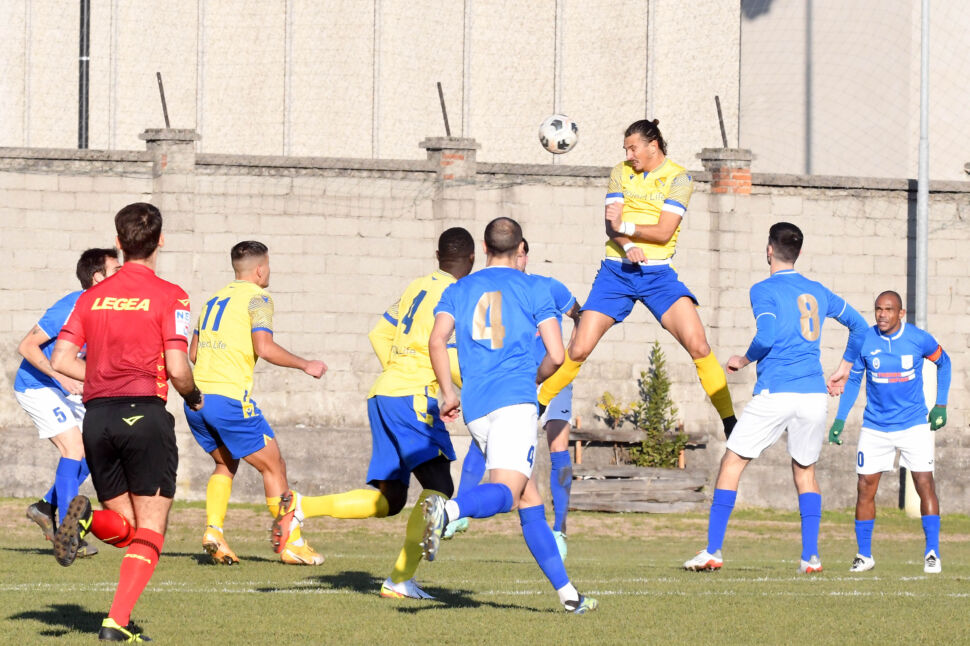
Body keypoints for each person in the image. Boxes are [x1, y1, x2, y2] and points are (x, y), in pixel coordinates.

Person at [286, 227, 475, 599]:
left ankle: (302, 506)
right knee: (440, 487)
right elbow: (448, 352)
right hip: (411, 398)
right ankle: (400, 580)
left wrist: (400, 370)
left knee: (391, 500)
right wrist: (460, 385)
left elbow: (378, 333)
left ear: (437, 256)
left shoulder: (415, 288)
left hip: (384, 393)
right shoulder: (460, 294)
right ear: (472, 259)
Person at [422, 217, 597, 614]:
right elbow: (557, 355)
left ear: (484, 248)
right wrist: (534, 379)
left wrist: (448, 393)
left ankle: (569, 595)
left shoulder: (458, 288)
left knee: (527, 497)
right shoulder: (535, 288)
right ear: (520, 249)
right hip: (514, 402)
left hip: (476, 407)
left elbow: (437, 341)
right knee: (506, 492)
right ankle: (448, 511)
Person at [51, 202, 204, 643]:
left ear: (118, 242)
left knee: (130, 532)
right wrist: (193, 396)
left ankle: (85, 522)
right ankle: (115, 623)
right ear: (160, 241)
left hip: (97, 419)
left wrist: (102, 377)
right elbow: (178, 367)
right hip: (144, 415)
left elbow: (60, 360)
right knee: (152, 531)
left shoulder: (91, 296)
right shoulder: (171, 295)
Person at [683, 222, 868, 574]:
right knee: (805, 472)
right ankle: (810, 557)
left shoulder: (763, 289)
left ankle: (713, 550)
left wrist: (743, 359)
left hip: (776, 392)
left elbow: (766, 336)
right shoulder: (817, 291)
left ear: (769, 250)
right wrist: (844, 367)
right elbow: (859, 326)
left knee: (732, 462)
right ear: (799, 253)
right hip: (813, 395)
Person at [537, 118, 736, 439]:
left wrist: (626, 228)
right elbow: (610, 225)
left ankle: (730, 422)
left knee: (699, 345)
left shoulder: (680, 178)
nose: (628, 155)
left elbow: (664, 232)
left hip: (658, 276)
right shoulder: (620, 172)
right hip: (616, 273)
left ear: (652, 146)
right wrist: (628, 245)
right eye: (626, 149)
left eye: (633, 149)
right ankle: (538, 403)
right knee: (579, 349)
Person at [184, 241, 328, 566]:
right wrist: (305, 364)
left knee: (225, 464)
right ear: (260, 269)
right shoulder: (258, 298)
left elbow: (193, 354)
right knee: (274, 466)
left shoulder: (213, 300)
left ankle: (214, 531)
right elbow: (264, 347)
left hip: (196, 400)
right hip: (229, 401)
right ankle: (292, 544)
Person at [444, 238, 580, 560]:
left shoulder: (547, 287)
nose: (517, 260)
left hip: (551, 377)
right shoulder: (496, 291)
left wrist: (574, 352)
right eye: (514, 255)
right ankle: (459, 512)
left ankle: (559, 529)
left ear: (526, 256)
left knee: (558, 446)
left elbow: (581, 316)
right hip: (514, 383)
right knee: (484, 445)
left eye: (521, 255)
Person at [828, 290, 951, 574]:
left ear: (901, 313)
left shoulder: (919, 339)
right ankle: (864, 555)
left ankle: (932, 553)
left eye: (888, 309)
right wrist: (840, 419)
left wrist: (941, 404)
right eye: (878, 309)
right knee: (864, 487)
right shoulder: (865, 339)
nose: (882, 315)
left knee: (924, 483)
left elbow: (944, 363)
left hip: (913, 425)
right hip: (875, 427)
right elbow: (854, 380)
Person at [16, 247, 120, 556]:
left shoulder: (109, 310)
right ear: (97, 277)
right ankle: (68, 533)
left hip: (67, 388)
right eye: (116, 270)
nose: (122, 275)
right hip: (37, 385)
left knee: (95, 450)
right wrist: (60, 378)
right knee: (73, 448)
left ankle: (46, 507)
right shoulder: (71, 306)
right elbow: (27, 346)